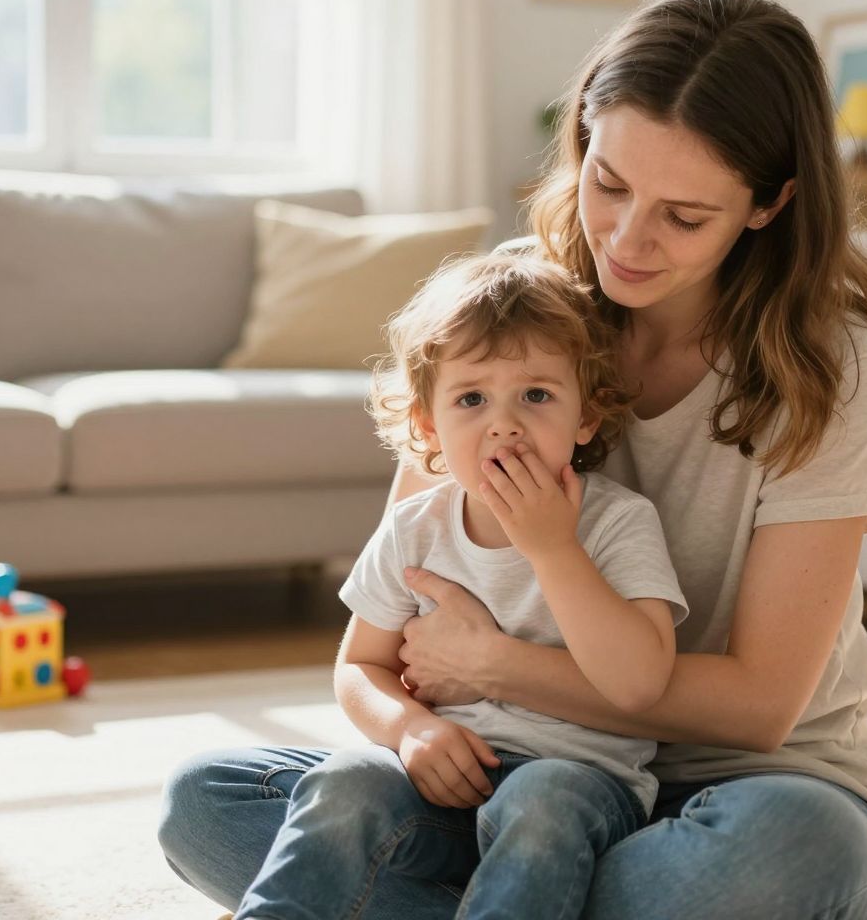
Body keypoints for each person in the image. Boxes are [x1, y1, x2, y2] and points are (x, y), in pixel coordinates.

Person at [158, 0, 867, 919]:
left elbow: (760, 708)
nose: (628, 241)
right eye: (611, 184)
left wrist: (494, 666)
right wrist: (422, 727)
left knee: (796, 854)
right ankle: (525, 896)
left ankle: (508, 897)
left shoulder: (823, 357)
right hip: (503, 776)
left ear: (767, 205)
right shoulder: (515, 321)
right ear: (583, 143)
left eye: (684, 215)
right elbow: (401, 619)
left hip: (748, 785)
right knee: (206, 800)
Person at [230, 252, 687, 920]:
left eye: (536, 395)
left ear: (585, 416)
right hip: (442, 787)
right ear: (427, 425)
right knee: (341, 781)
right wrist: (411, 730)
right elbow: (361, 667)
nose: (503, 424)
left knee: (543, 798)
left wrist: (553, 549)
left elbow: (641, 684)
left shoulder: (619, 523)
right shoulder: (416, 526)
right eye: (471, 399)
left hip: (578, 793)